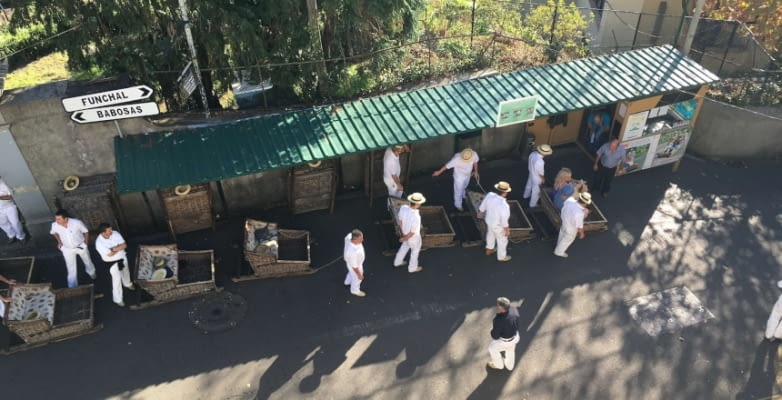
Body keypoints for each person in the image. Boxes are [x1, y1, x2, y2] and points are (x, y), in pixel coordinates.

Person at [50, 210, 96, 288]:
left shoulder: (77, 223)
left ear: (65, 219)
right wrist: (59, 242)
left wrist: (85, 243)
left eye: (59, 219)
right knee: (70, 267)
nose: (56, 221)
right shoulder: (54, 225)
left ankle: (91, 272)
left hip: (80, 246)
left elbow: (86, 231)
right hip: (67, 249)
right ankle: (72, 286)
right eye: (56, 219)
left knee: (87, 260)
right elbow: (54, 233)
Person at [95, 223, 134, 307]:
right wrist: (118, 248)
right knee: (116, 280)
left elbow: (124, 245)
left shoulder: (115, 233)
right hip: (111, 262)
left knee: (126, 272)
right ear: (103, 233)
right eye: (109, 230)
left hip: (122, 257)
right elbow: (110, 255)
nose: (111, 231)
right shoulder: (99, 243)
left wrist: (114, 249)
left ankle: (128, 284)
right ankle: (118, 299)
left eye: (111, 229)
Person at [477, 181, 512, 262]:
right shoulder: (504, 206)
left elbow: (483, 205)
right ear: (505, 193)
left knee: (490, 234)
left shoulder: (490, 195)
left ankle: (489, 249)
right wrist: (507, 230)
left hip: (489, 220)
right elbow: (504, 221)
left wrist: (480, 212)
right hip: (498, 225)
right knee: (502, 239)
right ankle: (501, 257)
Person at [393, 192, 425, 274]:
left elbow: (400, 221)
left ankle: (397, 261)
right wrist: (405, 238)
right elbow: (413, 232)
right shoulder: (416, 217)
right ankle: (412, 268)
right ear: (417, 204)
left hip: (404, 233)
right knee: (415, 251)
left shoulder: (403, 208)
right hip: (413, 238)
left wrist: (403, 234)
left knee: (405, 246)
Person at [554, 192, 592, 258]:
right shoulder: (579, 213)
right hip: (571, 228)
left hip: (564, 222)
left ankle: (559, 245)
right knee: (567, 239)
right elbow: (579, 227)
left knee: (562, 234)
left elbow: (567, 199)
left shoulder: (570, 201)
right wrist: (582, 234)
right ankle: (559, 252)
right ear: (585, 203)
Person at [487, 296, 520, 371]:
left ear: (501, 308)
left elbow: (495, 336)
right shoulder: (514, 310)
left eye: (498, 305)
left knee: (492, 348)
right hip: (515, 337)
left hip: (505, 341)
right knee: (510, 351)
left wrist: (492, 332)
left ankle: (499, 365)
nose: (497, 306)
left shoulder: (499, 320)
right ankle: (509, 366)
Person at [0, 176, 27, 245]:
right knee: (3, 224)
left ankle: (21, 236)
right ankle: (11, 235)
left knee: (15, 223)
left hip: (9, 207)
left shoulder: (3, 184)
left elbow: (11, 196)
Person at [523, 144, 552, 208]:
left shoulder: (533, 154)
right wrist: (543, 179)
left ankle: (526, 195)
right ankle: (532, 205)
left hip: (531, 172)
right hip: (537, 178)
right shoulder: (540, 161)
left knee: (529, 185)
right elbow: (540, 173)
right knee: (535, 191)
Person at [343, 229, 366, 297]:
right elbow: (355, 267)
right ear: (354, 240)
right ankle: (355, 290)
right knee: (357, 278)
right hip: (356, 265)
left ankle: (347, 282)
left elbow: (348, 236)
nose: (362, 240)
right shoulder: (352, 253)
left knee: (351, 273)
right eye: (360, 239)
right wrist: (359, 275)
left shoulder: (349, 237)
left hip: (351, 263)